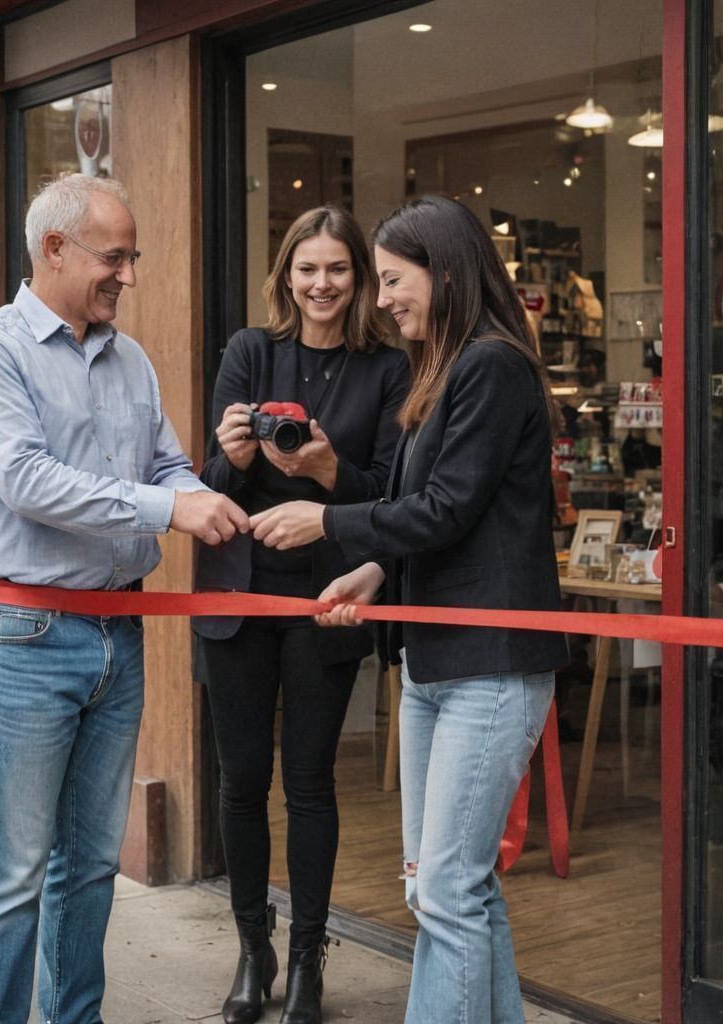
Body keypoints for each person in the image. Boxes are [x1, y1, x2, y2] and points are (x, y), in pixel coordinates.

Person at [250, 195, 568, 1024]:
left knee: (447, 894)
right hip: (438, 661)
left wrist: (326, 521)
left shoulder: (490, 366)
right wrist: (377, 571)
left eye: (393, 280)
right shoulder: (449, 368)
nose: (382, 298)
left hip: (488, 663)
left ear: (446, 271)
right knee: (451, 888)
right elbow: (421, 507)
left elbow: (445, 510)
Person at [0, 174, 248, 1024]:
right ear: (54, 250)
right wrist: (169, 507)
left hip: (118, 633)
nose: (129, 276)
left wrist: (206, 497)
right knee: (15, 868)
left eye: (133, 258)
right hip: (23, 636)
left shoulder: (132, 357)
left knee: (89, 865)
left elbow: (163, 467)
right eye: (115, 258)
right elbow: (30, 481)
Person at [194, 205, 409, 1024]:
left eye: (339, 270)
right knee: (241, 780)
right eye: (307, 268)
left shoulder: (387, 369)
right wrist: (237, 456)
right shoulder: (252, 351)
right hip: (238, 594)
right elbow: (213, 481)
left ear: (359, 278)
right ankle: (254, 947)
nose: (322, 284)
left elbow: (390, 497)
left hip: (326, 597)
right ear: (286, 273)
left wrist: (325, 468)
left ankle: (310, 959)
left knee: (312, 783)